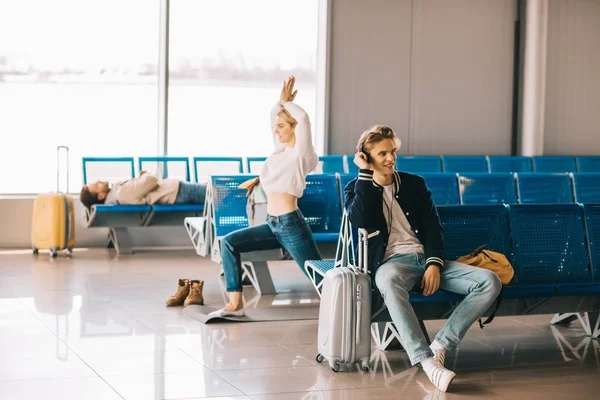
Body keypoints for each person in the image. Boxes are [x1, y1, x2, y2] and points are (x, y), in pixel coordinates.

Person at [344, 125, 502, 392]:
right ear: (367, 157)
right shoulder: (356, 188)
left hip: (425, 260)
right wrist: (365, 175)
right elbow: (359, 220)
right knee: (390, 282)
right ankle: (428, 363)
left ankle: (440, 345)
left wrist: (433, 264)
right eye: (382, 154)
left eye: (393, 152)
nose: (390, 158)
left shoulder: (414, 184)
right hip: (390, 265)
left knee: (489, 281)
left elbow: (432, 228)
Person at [209, 76, 322, 318]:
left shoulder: (301, 154)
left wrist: (285, 103)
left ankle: (358, 308)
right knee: (228, 243)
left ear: (294, 128)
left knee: (321, 277)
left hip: (291, 225)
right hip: (272, 224)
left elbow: (303, 118)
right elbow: (276, 119)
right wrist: (279, 104)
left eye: (281, 126)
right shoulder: (279, 153)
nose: (276, 131)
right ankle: (235, 304)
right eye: (275, 128)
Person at [79, 171, 207, 210]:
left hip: (177, 191)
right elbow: (151, 180)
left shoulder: (118, 194)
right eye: (97, 185)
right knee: (221, 192)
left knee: (218, 191)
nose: (99, 180)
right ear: (101, 196)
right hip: (179, 191)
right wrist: (144, 174)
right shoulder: (121, 193)